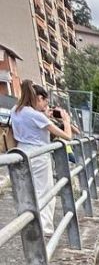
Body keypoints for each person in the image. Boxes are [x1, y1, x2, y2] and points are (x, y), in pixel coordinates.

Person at [11, 80, 72, 236]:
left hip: (21, 153)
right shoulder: (34, 115)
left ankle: (29, 225)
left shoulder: (15, 110)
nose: (46, 105)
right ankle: (44, 228)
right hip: (39, 155)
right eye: (45, 101)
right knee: (45, 193)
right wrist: (66, 121)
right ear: (38, 98)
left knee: (28, 192)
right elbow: (67, 136)